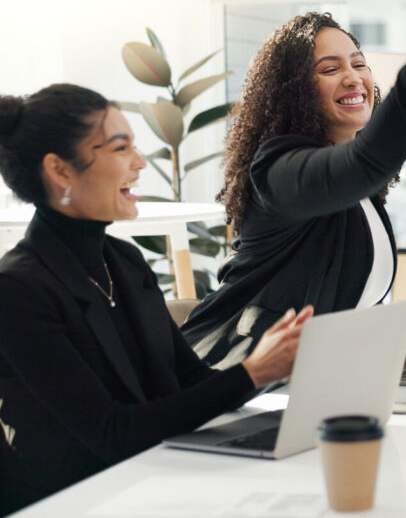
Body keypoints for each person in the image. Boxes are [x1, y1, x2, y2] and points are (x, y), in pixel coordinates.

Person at [0, 85, 313, 515]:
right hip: (79, 503)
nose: (139, 162)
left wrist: (270, 365)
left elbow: (192, 381)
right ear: (60, 171)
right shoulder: (17, 290)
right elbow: (112, 433)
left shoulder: (124, 262)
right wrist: (251, 373)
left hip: (156, 480)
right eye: (120, 147)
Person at [181, 0, 406, 368]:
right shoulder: (277, 170)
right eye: (329, 69)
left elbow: (337, 302)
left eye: (359, 63)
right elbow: (366, 161)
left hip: (315, 374)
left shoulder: (357, 187)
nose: (354, 78)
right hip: (231, 374)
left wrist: (377, 341)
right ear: (294, 92)